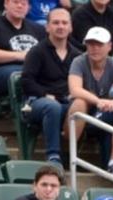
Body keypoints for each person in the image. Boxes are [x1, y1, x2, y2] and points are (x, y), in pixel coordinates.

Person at [67, 26, 113, 179]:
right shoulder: (79, 61)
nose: (94, 48)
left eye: (99, 44)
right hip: (83, 112)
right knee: (79, 103)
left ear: (109, 46)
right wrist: (98, 101)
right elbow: (75, 89)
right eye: (91, 44)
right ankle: (70, 154)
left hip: (103, 112)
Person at [20, 6, 81, 166]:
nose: (60, 26)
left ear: (70, 27)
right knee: (52, 106)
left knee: (82, 107)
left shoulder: (77, 55)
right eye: (55, 23)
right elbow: (26, 81)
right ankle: (53, 155)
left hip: (67, 101)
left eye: (64, 23)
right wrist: (46, 94)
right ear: (47, 27)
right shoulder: (37, 51)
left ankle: (76, 156)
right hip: (37, 102)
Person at [0, 0, 43, 99]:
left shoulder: (38, 29)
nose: (20, 6)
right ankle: (27, 109)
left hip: (29, 69)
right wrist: (20, 55)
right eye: (15, 2)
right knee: (25, 74)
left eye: (24, 4)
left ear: (28, 8)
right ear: (6, 4)